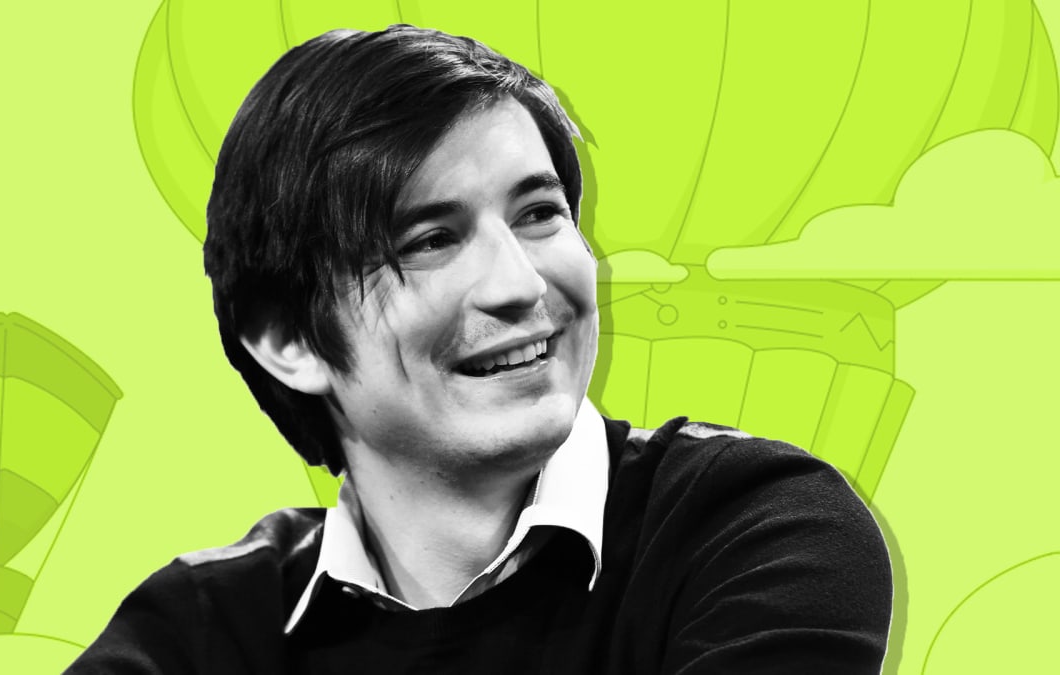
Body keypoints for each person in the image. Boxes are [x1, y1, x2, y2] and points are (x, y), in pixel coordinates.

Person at [66, 25, 892, 674]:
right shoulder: (200, 627)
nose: (520, 285)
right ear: (287, 340)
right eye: (431, 239)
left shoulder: (754, 527)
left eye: (539, 213)